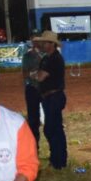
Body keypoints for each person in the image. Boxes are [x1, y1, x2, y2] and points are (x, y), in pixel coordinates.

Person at [30, 30, 68, 168]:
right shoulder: (48, 58)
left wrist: (35, 75)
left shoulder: (53, 59)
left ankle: (59, 160)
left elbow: (39, 76)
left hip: (54, 96)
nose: (42, 44)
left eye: (45, 42)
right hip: (50, 97)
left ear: (51, 44)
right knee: (52, 128)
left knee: (53, 128)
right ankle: (57, 159)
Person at [21, 34, 44, 150]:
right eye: (33, 39)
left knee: (50, 120)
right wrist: (35, 74)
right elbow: (24, 73)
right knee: (33, 120)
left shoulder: (47, 54)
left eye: (38, 39)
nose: (35, 41)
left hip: (45, 89)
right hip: (32, 89)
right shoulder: (28, 56)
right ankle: (35, 148)